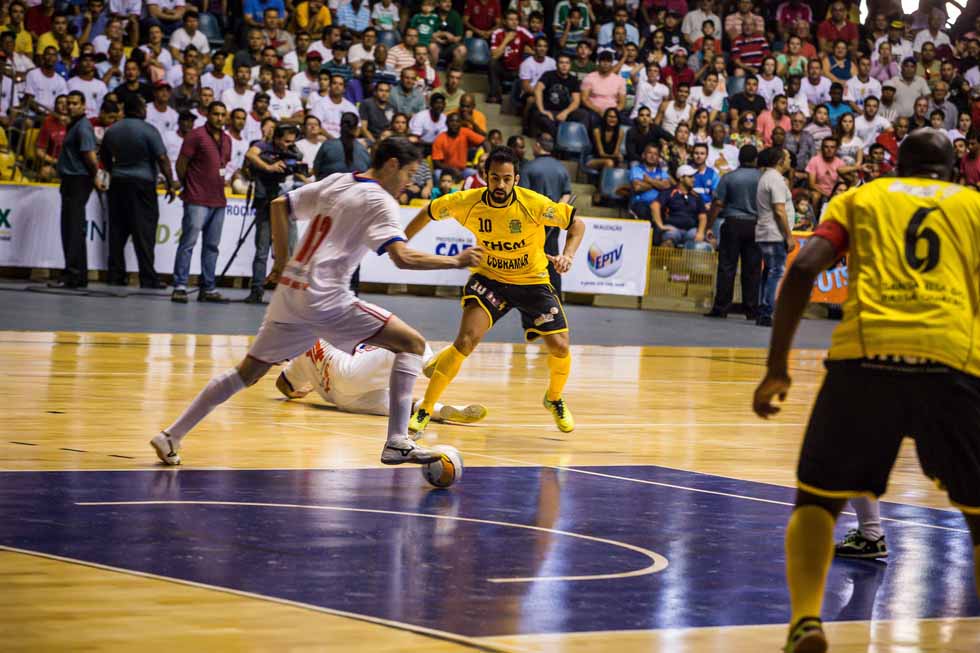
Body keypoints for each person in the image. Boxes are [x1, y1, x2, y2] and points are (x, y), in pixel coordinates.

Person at [752, 129, 980, 653]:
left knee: (816, 500)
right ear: (950, 171)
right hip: (952, 361)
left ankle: (806, 621)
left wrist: (777, 368)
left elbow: (804, 268)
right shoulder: (971, 206)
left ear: (897, 166)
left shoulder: (862, 198)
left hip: (866, 359)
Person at [154, 148, 481, 464]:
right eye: (409, 174)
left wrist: (282, 263)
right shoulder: (380, 200)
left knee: (247, 373)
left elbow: (280, 206)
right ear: (392, 165)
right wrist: (455, 261)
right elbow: (403, 257)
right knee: (411, 343)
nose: (409, 183)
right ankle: (397, 442)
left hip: (290, 295)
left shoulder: (339, 181)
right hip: (327, 299)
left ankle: (172, 435)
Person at [404, 147, 584, 435]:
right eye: (495, 178)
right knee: (465, 341)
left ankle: (553, 398)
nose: (500, 185)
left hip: (532, 280)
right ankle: (425, 408)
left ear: (516, 179)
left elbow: (577, 224)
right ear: (485, 177)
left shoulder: (534, 204)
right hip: (491, 279)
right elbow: (428, 212)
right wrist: (401, 242)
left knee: (560, 347)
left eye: (507, 179)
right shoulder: (467, 202)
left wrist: (568, 255)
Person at [277, 339, 488, 426]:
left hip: (343, 399)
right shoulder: (326, 323)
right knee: (410, 342)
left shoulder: (299, 358)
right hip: (351, 372)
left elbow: (283, 385)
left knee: (401, 402)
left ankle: (441, 411)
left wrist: (298, 393)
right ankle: (427, 362)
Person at [100, 96, 176, 289]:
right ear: (140, 110)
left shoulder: (113, 130)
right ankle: (148, 278)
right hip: (142, 185)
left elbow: (105, 157)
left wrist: (113, 171)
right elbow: (162, 158)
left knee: (117, 232)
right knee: (145, 233)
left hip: (118, 183)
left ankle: (116, 276)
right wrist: (170, 183)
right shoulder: (149, 130)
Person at [171, 101, 232, 304]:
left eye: (223, 114)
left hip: (218, 200)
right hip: (196, 198)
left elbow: (223, 166)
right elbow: (181, 165)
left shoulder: (227, 139)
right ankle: (180, 286)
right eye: (216, 114)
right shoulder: (195, 136)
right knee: (188, 242)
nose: (220, 118)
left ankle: (208, 288)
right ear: (207, 114)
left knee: (212, 246)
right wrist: (187, 186)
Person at [243, 123, 309, 304]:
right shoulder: (264, 147)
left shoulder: (294, 151)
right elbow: (250, 155)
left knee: (290, 250)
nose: (290, 144)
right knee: (262, 250)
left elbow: (297, 169)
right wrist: (269, 167)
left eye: (292, 141)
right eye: (286, 141)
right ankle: (256, 290)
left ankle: (288, 293)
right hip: (265, 204)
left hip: (286, 206)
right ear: (278, 138)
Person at [48, 91, 103, 289]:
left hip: (78, 180)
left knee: (72, 228)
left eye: (74, 103)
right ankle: (78, 275)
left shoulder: (83, 127)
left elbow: (89, 155)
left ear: (83, 105)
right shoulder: (74, 125)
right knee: (72, 227)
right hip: (72, 180)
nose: (70, 106)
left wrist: (94, 175)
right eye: (68, 103)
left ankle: (73, 274)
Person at [705, 145, 761, 318]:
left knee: (727, 267)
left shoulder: (729, 177)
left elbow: (718, 204)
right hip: (755, 225)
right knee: (752, 269)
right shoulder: (762, 178)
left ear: (739, 159)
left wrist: (709, 225)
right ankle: (751, 310)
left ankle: (721, 308)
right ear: (755, 160)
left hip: (733, 224)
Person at [518, 133, 571, 292]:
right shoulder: (562, 168)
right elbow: (567, 194)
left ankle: (528, 295)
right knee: (552, 258)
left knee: (529, 260)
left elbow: (523, 196)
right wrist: (555, 214)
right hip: (553, 221)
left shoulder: (528, 167)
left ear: (538, 146)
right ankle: (555, 297)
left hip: (532, 223)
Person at [754, 147, 797, 327]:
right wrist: (789, 236)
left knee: (768, 272)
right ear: (780, 160)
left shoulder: (766, 177)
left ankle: (763, 308)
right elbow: (779, 210)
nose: (789, 161)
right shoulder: (776, 180)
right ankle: (767, 312)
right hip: (774, 233)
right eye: (787, 158)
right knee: (776, 272)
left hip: (765, 231)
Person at [652, 165, 709, 248]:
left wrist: (700, 232)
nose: (693, 179)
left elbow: (703, 216)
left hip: (691, 230)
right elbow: (654, 206)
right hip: (673, 229)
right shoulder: (670, 192)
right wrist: (661, 226)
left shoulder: (696, 196)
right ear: (681, 178)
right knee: (668, 242)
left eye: (693, 177)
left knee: (700, 243)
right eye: (690, 177)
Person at [313, 112, 370, 178]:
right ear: (357, 129)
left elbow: (316, 169)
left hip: (329, 186)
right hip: (356, 187)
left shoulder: (327, 146)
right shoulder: (363, 150)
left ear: (340, 126)